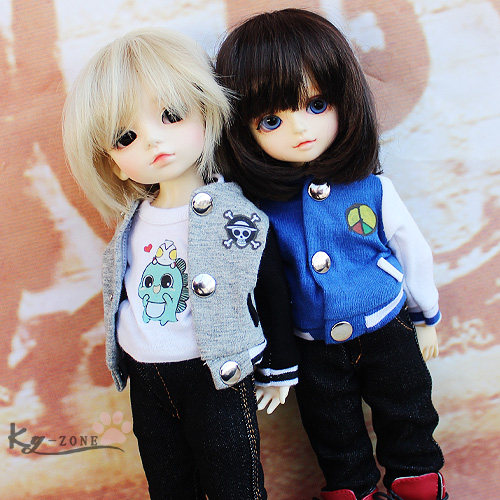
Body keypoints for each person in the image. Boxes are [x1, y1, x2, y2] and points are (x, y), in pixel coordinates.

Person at [216, 9, 447, 500]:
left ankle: (417, 480)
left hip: (386, 324)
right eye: (272, 120)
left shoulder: (372, 188)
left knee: (408, 411)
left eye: (317, 105)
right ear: (243, 129)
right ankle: (351, 490)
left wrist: (425, 313)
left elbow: (412, 248)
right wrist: (274, 363)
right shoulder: (259, 210)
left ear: (344, 98)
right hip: (311, 343)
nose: (300, 128)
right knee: (332, 431)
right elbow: (257, 286)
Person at [63, 27, 298, 500]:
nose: (153, 140)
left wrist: (280, 369)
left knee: (234, 480)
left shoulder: (237, 216)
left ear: (206, 114)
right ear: (114, 164)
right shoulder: (131, 222)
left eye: (171, 116)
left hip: (214, 373)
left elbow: (272, 288)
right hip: (147, 377)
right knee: (167, 480)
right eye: (126, 137)